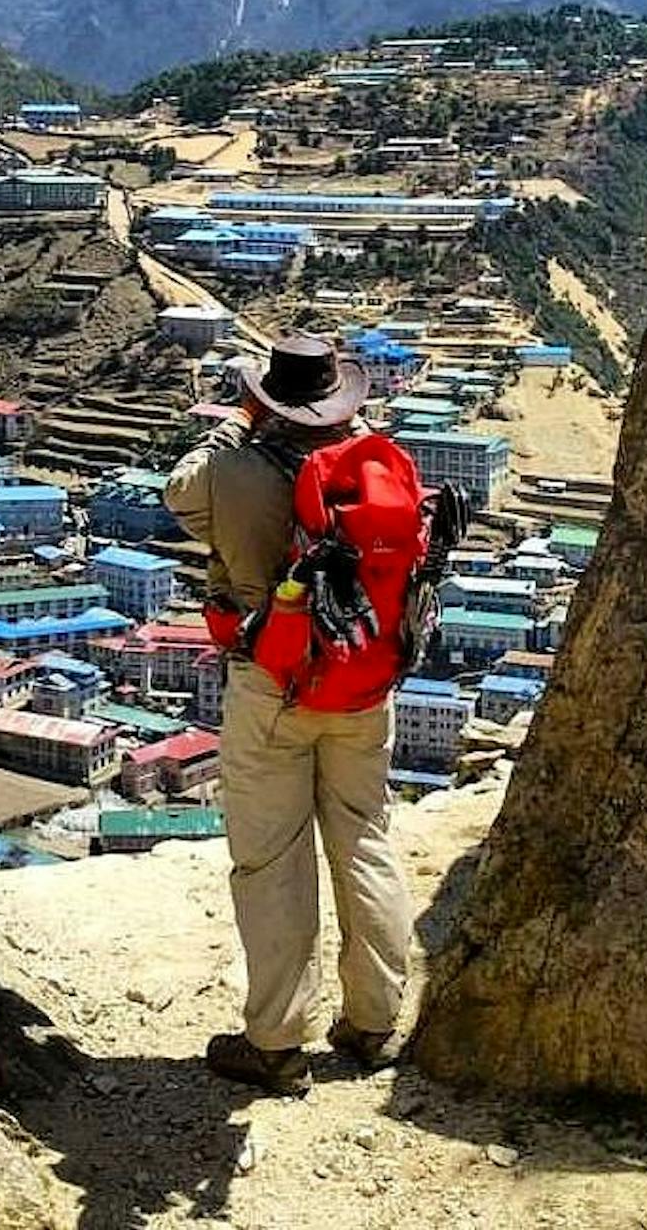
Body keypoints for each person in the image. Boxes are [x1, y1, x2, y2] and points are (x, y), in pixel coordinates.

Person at [164, 332, 414, 1097]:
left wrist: (236, 421)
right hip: (364, 680)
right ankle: (374, 1023)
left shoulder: (231, 470)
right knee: (365, 839)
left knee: (273, 859)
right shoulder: (376, 463)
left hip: (272, 680)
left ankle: (276, 1042)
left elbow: (179, 493)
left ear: (267, 397)